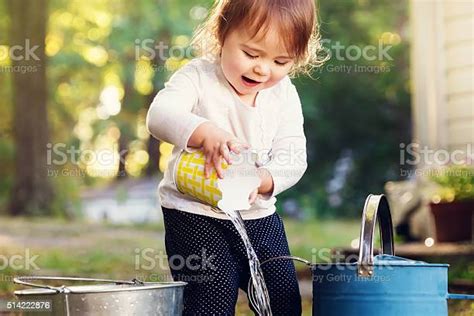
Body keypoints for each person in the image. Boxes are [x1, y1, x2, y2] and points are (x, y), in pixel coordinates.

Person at [146, 0, 326, 314]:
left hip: (258, 215)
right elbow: (160, 115)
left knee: (282, 297)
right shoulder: (199, 77)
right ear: (222, 34)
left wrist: (266, 178)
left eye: (281, 61)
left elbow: (293, 154)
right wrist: (204, 132)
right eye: (251, 54)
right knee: (211, 296)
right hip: (193, 213)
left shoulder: (283, 95)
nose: (262, 68)